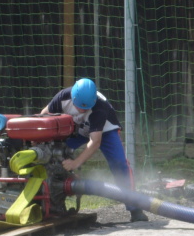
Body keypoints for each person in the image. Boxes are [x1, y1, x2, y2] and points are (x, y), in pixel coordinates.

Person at [41, 78, 149, 222]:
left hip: (105, 130)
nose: (82, 110)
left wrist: (75, 163)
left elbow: (95, 141)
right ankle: (50, 202)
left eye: (86, 108)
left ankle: (135, 208)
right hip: (78, 129)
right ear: (73, 97)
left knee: (119, 164)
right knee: (51, 153)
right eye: (79, 107)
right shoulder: (63, 96)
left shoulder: (100, 107)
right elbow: (44, 117)